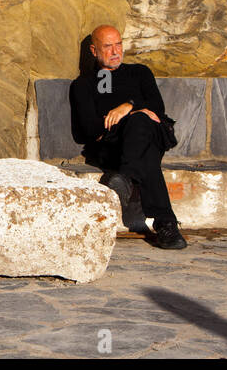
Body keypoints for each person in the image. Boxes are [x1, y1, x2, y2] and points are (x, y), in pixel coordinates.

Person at [69, 25, 187, 250]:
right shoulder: (83, 85)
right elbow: (86, 130)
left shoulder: (140, 73)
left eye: (118, 44)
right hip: (113, 146)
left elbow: (157, 109)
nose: (115, 51)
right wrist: (138, 112)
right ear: (94, 51)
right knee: (145, 146)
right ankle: (166, 225)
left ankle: (125, 177)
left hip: (149, 135)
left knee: (141, 123)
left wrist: (128, 107)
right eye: (107, 46)